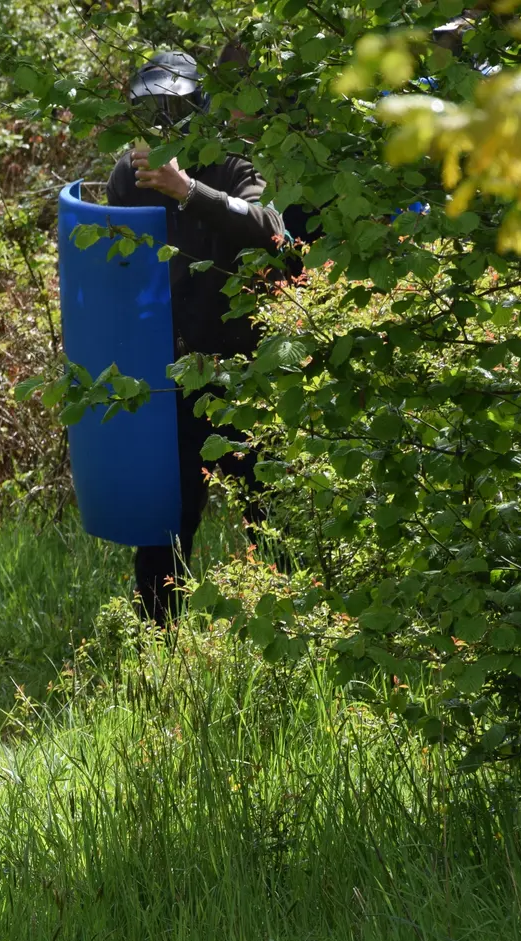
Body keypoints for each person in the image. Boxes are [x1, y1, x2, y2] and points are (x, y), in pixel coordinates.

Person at [107, 48, 313, 623]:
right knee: (164, 518)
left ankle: (287, 640)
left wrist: (188, 190)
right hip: (167, 373)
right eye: (152, 108)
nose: (163, 121)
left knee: (265, 513)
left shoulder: (231, 163)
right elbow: (116, 271)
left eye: (173, 105)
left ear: (197, 104)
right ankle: (157, 650)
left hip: (242, 369)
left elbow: (273, 233)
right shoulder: (129, 173)